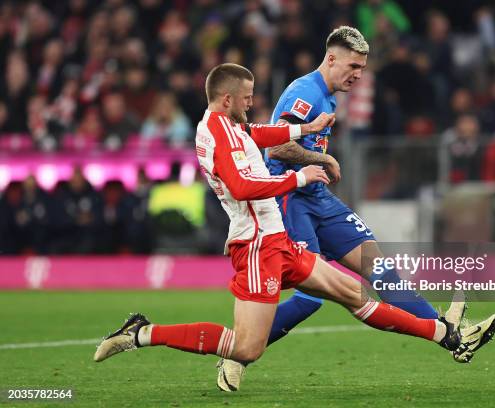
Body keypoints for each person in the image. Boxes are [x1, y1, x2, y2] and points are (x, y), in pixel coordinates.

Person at [94, 63, 468, 392]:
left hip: (277, 241)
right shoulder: (219, 134)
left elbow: (259, 132)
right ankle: (142, 333)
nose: (250, 104)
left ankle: (441, 333)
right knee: (246, 347)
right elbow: (241, 187)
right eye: (246, 99)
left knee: (354, 294)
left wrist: (308, 127)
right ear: (226, 99)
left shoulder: (227, 125)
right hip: (258, 247)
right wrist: (298, 179)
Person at [218, 26, 495, 387]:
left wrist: (319, 161)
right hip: (290, 200)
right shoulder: (305, 92)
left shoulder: (329, 95)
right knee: (310, 299)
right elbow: (276, 149)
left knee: (382, 270)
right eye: (353, 66)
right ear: (331, 58)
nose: (358, 75)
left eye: (363, 69)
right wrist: (323, 158)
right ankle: (237, 354)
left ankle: (449, 333)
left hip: (318, 199)